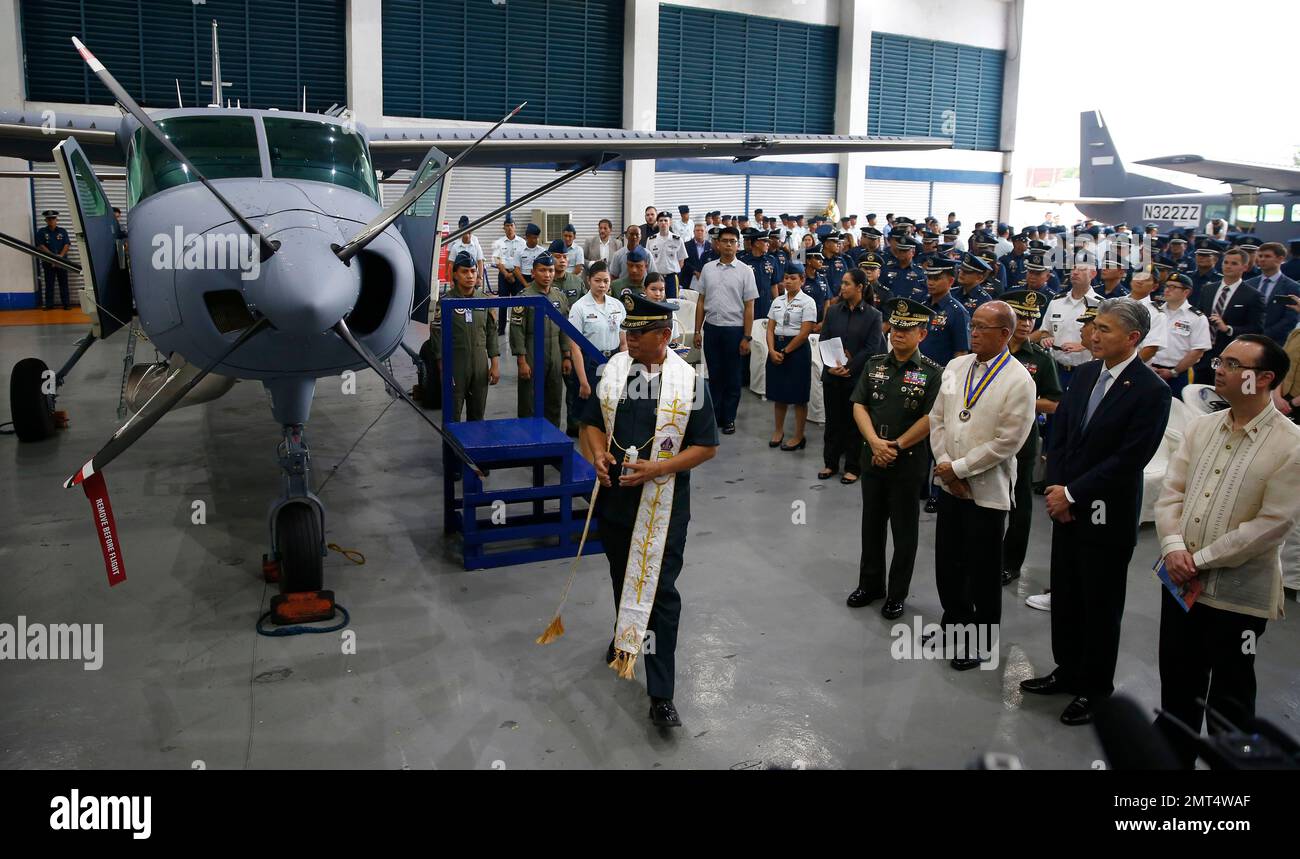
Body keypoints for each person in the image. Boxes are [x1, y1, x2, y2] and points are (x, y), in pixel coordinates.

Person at [1021, 299, 1171, 726]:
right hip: (1065, 505)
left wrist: (1072, 492)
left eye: (1104, 329)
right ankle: (1067, 670)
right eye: (1093, 327)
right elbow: (1064, 433)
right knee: (1067, 595)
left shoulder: (1150, 390)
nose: (1093, 335)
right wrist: (1057, 488)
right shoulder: (1085, 374)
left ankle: (1095, 688)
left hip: (1107, 512)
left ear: (1132, 338)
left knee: (1100, 604)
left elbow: (1130, 458)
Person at [1153, 334, 1300, 767]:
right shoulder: (1200, 427)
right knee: (1178, 686)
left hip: (1237, 595)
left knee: (1231, 700)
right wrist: (1173, 546)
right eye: (1221, 360)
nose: (1220, 369)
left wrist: (1195, 561)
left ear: (1264, 378)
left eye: (1234, 364)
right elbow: (1171, 493)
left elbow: (1271, 525)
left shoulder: (1291, 444)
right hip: (1179, 584)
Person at [582, 291, 719, 728]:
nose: (629, 340)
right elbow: (588, 424)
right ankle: (625, 639)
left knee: (660, 595)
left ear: (663, 335)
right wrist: (598, 456)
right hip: (616, 499)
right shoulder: (613, 371)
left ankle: (661, 691)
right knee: (622, 575)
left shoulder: (690, 383)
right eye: (628, 331)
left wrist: (660, 468)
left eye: (638, 334)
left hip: (663, 506)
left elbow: (705, 447)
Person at [929, 301, 1037, 669]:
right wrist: (946, 467)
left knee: (983, 570)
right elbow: (938, 419)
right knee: (949, 562)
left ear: (1005, 334)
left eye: (981, 327)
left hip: (986, 490)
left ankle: (980, 640)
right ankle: (954, 623)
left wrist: (958, 469)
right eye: (972, 325)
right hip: (949, 483)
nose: (972, 332)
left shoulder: (1019, 380)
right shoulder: (956, 366)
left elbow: (1008, 441)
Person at [847, 297, 943, 616]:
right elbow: (859, 405)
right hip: (872, 457)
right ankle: (870, 584)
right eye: (896, 327)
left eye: (908, 329)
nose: (898, 334)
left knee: (904, 531)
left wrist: (895, 446)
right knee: (870, 526)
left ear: (922, 334)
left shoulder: (932, 373)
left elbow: (931, 419)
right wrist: (875, 443)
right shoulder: (875, 365)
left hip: (908, 462)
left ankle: (897, 593)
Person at [999, 290, 1062, 586]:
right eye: (1020, 316)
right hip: (985, 434)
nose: (1026, 323)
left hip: (1022, 439)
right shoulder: (989, 350)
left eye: (1031, 317)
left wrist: (1022, 400)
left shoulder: (1040, 359)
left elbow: (1054, 402)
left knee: (1019, 501)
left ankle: (1011, 562)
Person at [819, 268, 885, 483]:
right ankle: (830, 463)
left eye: (847, 284)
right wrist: (831, 365)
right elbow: (824, 339)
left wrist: (850, 365)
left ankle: (853, 467)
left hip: (856, 378)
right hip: (832, 375)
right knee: (833, 422)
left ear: (860, 287)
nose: (842, 287)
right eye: (842, 283)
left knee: (853, 425)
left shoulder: (873, 315)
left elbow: (872, 347)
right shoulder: (834, 311)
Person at [510, 252, 588, 429]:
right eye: (543, 270)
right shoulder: (524, 297)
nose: (547, 275)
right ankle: (527, 441)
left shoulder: (559, 296)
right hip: (531, 350)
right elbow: (517, 330)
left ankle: (552, 441)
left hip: (556, 353)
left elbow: (564, 329)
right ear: (533, 272)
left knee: (554, 399)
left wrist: (566, 355)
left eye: (550, 270)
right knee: (528, 401)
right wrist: (521, 360)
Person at [693, 226, 757, 436]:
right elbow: (701, 301)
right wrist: (697, 331)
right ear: (717, 244)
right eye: (725, 241)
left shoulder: (746, 271)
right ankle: (715, 415)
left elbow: (749, 306)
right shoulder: (709, 269)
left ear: (738, 245)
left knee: (733, 377)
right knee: (715, 375)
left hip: (734, 331)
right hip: (712, 329)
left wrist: (747, 336)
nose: (728, 245)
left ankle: (729, 418)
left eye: (732, 241)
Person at [431, 251, 500, 422]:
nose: (470, 276)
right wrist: (441, 367)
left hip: (480, 364)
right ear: (455, 274)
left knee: (477, 415)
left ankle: (473, 448)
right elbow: (437, 335)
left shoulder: (484, 301)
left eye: (473, 271)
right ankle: (451, 449)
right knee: (452, 415)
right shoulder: (445, 302)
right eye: (464, 271)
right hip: (455, 364)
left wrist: (495, 364)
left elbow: (491, 333)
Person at [568, 260, 625, 453]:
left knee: (611, 411)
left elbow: (624, 341)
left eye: (606, 281)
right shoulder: (579, 308)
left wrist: (625, 370)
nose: (602, 285)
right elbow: (575, 347)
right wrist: (583, 381)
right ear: (588, 281)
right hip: (589, 364)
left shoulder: (617, 306)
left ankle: (606, 456)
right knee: (587, 417)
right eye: (598, 280)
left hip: (614, 362)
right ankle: (588, 463)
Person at [765, 262, 817, 451]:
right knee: (779, 393)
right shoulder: (777, 301)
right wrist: (771, 350)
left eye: (793, 278)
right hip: (777, 346)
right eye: (786, 278)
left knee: (798, 395)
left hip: (797, 350)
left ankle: (798, 435)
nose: (788, 281)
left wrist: (785, 352)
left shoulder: (808, 302)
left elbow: (805, 332)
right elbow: (770, 328)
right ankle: (778, 431)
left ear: (802, 280)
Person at [1195, 248, 1265, 381]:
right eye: (1226, 262)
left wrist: (1228, 329)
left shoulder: (1253, 295)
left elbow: (1256, 329)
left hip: (1230, 354)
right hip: (1202, 353)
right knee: (1197, 390)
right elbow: (1199, 317)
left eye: (1234, 263)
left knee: (1222, 391)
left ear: (1245, 267)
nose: (1228, 266)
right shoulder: (1208, 289)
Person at [1151, 274, 1210, 400]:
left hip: (1178, 374)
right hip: (1150, 369)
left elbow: (1197, 351)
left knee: (1176, 411)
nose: (1167, 290)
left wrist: (1173, 372)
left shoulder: (1197, 318)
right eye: (1166, 286)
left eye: (1173, 287)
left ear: (1186, 292)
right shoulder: (1155, 312)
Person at [1245, 241, 1300, 343]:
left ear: (1280, 258)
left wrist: (1264, 334)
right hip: (1247, 338)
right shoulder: (1248, 284)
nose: (1262, 259)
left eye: (1267, 256)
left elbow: (1290, 319)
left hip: (1275, 342)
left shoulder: (1291, 287)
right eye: (1260, 256)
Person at [491, 215, 527, 334]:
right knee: (503, 302)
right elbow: (497, 260)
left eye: (511, 225)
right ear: (503, 228)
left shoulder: (522, 242)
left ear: (515, 227)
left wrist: (515, 274)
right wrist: (506, 274)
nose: (510, 228)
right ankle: (501, 329)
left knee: (518, 303)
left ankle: (517, 328)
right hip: (503, 275)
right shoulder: (498, 242)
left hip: (517, 275)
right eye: (507, 226)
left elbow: (524, 260)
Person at [34, 210, 71, 310]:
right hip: (48, 263)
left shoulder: (62, 231)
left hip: (62, 262)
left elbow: (67, 244)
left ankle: (66, 304)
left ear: (56, 219)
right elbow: (41, 246)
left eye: (53, 218)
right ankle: (49, 305)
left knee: (63, 284)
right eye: (49, 219)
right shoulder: (42, 232)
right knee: (49, 284)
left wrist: (60, 257)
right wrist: (53, 258)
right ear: (45, 220)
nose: (51, 220)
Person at [646, 211, 687, 297]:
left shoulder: (677, 240)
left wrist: (672, 270)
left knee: (673, 301)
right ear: (657, 223)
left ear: (670, 222)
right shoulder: (651, 240)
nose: (663, 223)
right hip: (656, 277)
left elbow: (681, 261)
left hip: (672, 278)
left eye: (665, 220)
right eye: (660, 221)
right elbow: (648, 260)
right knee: (657, 301)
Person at [447, 215, 487, 284]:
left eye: (469, 231)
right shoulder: (454, 241)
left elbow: (480, 261)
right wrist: (450, 278)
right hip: (459, 276)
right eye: (463, 228)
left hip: (472, 276)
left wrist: (480, 277)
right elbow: (450, 262)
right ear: (459, 227)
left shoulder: (475, 242)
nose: (467, 234)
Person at [681, 222, 712, 292]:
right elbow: (684, 262)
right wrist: (695, 271)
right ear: (693, 232)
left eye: (702, 230)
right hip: (689, 279)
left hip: (706, 279)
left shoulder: (710, 246)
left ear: (706, 232)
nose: (699, 232)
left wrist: (703, 273)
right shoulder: (686, 245)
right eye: (697, 230)